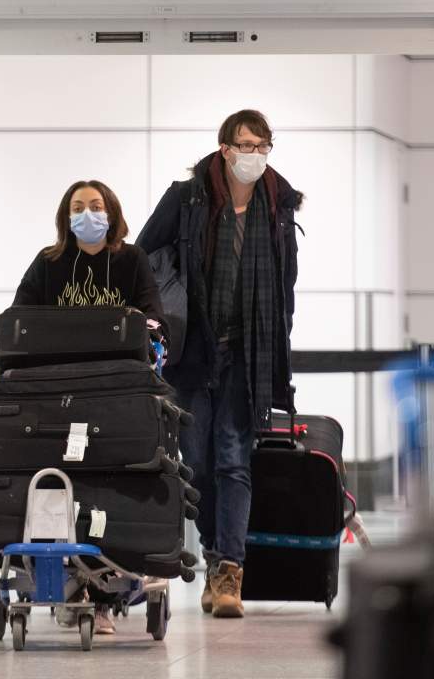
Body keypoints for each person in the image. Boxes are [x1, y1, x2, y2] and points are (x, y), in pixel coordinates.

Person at [136, 109, 302, 619]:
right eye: (244, 145)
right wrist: (158, 316)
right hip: (193, 352)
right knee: (198, 464)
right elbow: (143, 254)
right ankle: (213, 553)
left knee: (233, 461)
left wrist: (280, 349)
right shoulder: (188, 197)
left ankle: (230, 569)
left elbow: (286, 284)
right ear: (224, 148)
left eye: (261, 146)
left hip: (248, 355)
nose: (252, 155)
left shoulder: (278, 205)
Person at [10, 179, 165, 635]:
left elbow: (154, 315)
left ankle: (102, 597)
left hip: (117, 393)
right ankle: (67, 584)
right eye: (78, 207)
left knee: (108, 486)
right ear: (66, 216)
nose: (87, 214)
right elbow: (18, 316)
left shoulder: (132, 260)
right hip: (57, 393)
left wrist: (149, 331)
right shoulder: (49, 262)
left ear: (111, 213)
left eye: (96, 206)